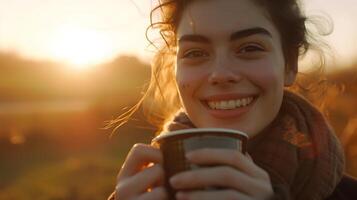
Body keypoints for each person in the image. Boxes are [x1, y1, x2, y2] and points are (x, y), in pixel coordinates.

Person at [108, 0, 357, 199]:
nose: (220, 75)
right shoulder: (144, 189)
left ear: (289, 65)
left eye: (250, 48)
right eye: (195, 53)